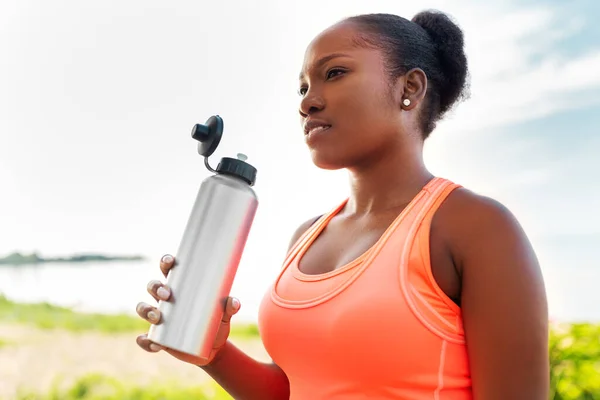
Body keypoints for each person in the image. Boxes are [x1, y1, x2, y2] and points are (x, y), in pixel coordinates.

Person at [135, 10, 549, 400]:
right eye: (302, 87)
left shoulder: (475, 227)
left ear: (410, 88)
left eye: (334, 73)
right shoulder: (307, 236)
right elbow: (298, 389)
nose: (307, 102)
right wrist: (215, 353)